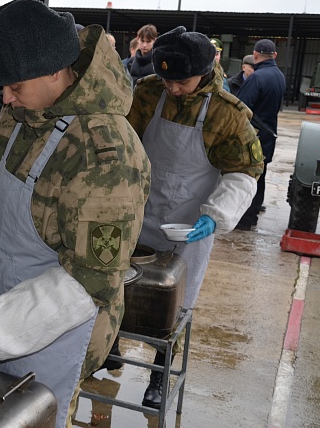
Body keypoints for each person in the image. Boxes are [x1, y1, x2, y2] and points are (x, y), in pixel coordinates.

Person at [0, 0, 151, 428]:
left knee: (38, 416)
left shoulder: (105, 155)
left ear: (54, 69)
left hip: (64, 322)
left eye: (14, 86)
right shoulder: (24, 108)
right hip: (5, 296)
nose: (5, 99)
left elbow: (90, 282)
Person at [126, 26, 264, 408]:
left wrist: (216, 214)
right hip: (141, 209)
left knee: (176, 302)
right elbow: (125, 142)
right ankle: (109, 345)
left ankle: (159, 371)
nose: (173, 89)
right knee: (122, 284)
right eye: (168, 79)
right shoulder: (149, 91)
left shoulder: (226, 112)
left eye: (181, 82)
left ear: (203, 71)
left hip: (190, 222)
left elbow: (245, 170)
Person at [235, 39, 286, 230]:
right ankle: (254, 213)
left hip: (253, 135)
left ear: (255, 55)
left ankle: (245, 219)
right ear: (275, 55)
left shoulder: (257, 77)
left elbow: (241, 108)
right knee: (260, 175)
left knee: (246, 176)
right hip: (269, 134)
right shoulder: (279, 76)